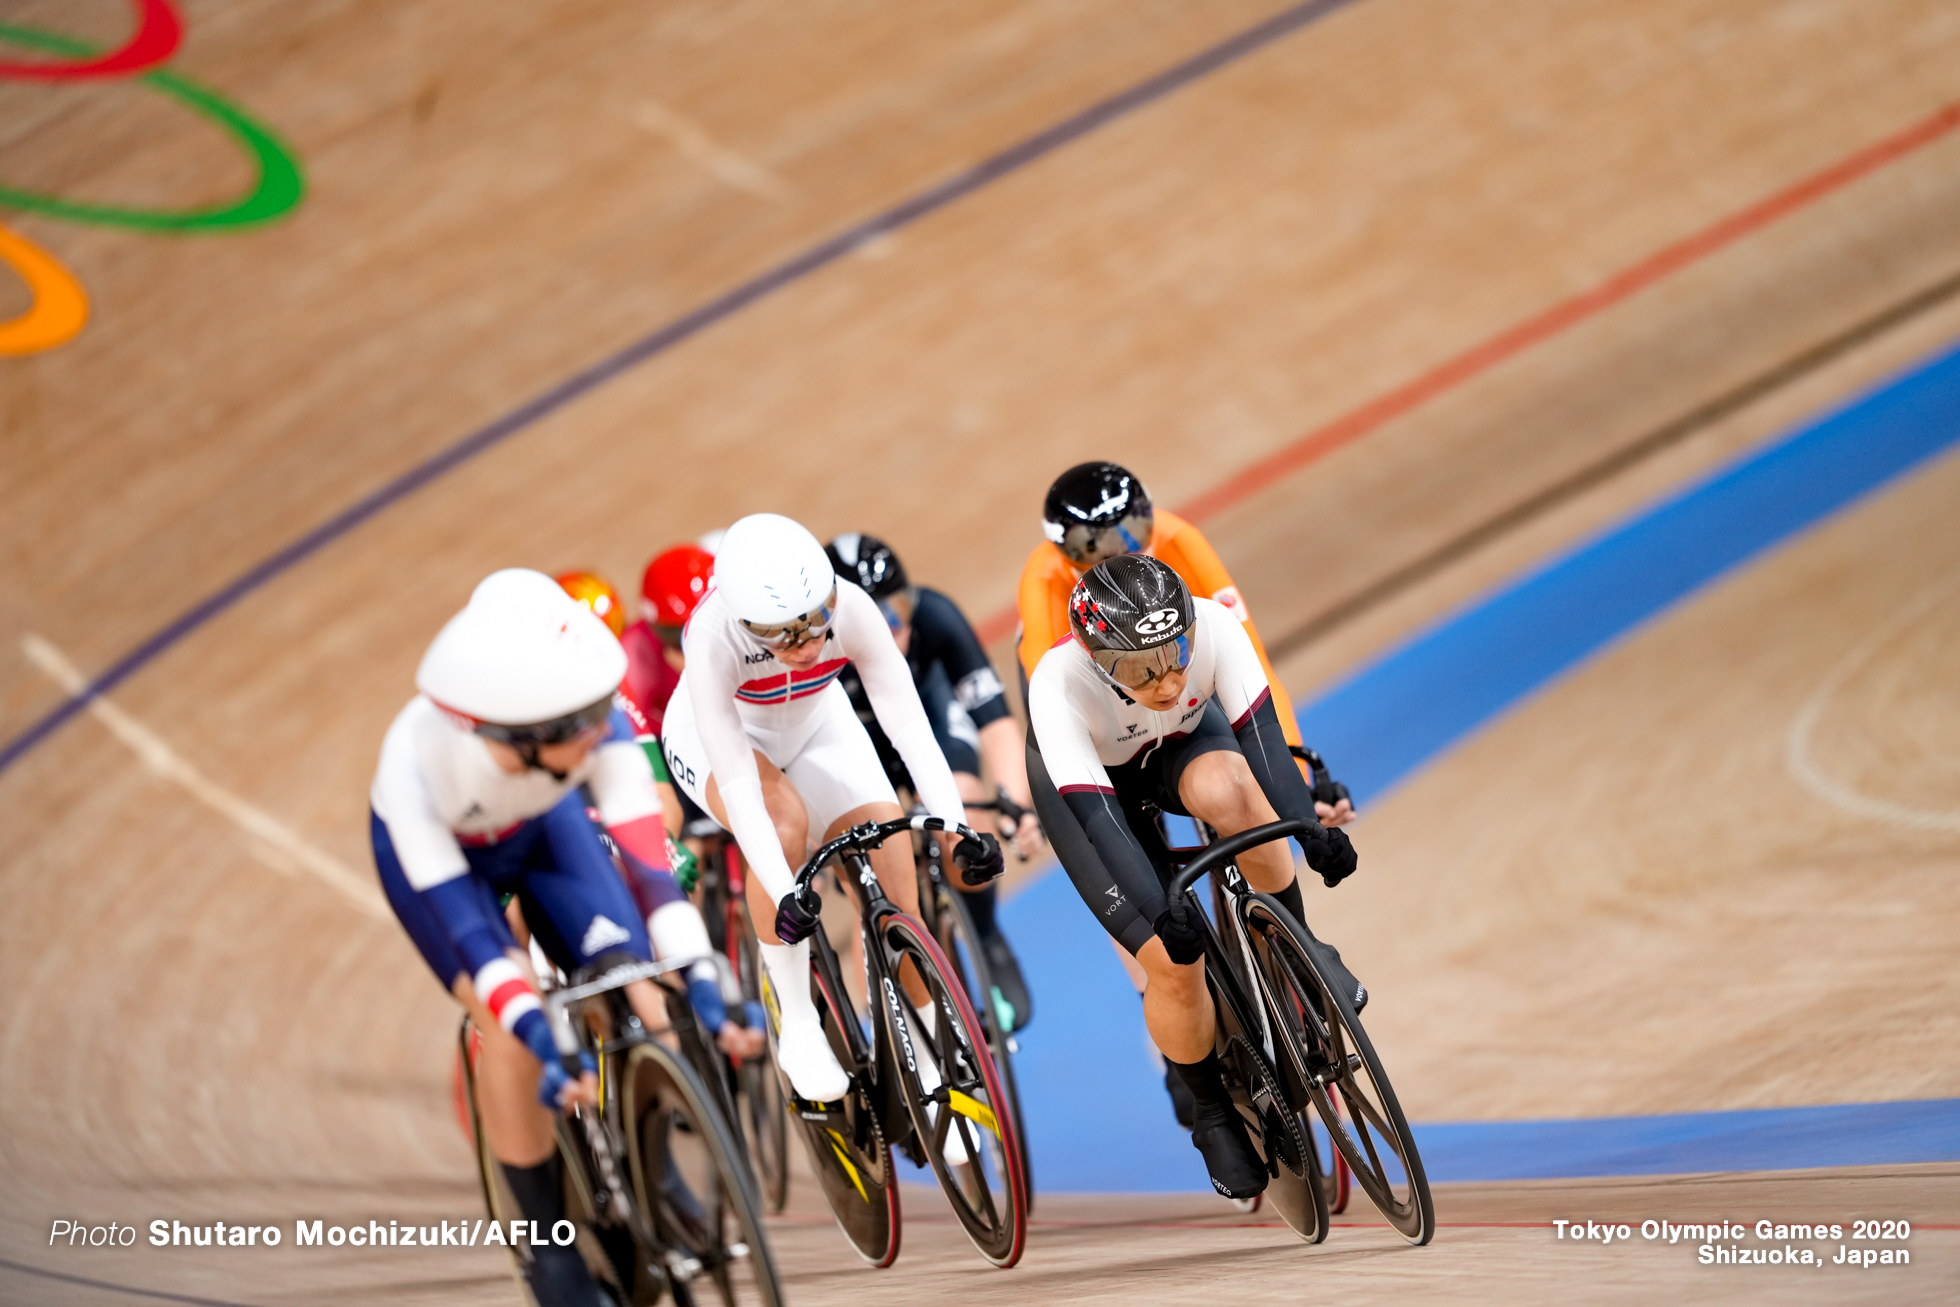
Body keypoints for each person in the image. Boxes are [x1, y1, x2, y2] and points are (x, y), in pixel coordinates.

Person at [369, 571, 753, 1305]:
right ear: (513, 730)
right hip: (448, 861)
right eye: (573, 728)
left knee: (622, 955)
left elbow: (652, 877)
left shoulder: (590, 722)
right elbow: (475, 942)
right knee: (509, 1025)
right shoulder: (414, 765)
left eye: (594, 718)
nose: (594, 734)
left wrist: (701, 974)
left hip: (545, 828)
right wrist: (536, 1029)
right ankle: (549, 1247)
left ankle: (650, 1153)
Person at [1023, 555, 1366, 1200]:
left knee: (1236, 792)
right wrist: (1161, 915)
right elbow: (1101, 822)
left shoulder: (1212, 626)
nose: (1166, 678)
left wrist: (1309, 832)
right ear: (1097, 658)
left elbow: (1262, 742)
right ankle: (1211, 1110)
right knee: (1172, 964)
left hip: (1177, 745)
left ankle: (1296, 948)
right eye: (1139, 668)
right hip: (1099, 795)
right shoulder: (1056, 684)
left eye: (1176, 655)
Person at [660, 513, 1002, 1103]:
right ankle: (797, 1019)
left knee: (893, 863)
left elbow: (909, 727)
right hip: (723, 740)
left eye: (816, 622)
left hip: (818, 722)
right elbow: (741, 786)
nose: (809, 644)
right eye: (785, 635)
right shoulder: (713, 636)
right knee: (782, 821)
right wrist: (780, 886)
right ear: (746, 622)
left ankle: (923, 1051)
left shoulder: (854, 606)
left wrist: (954, 826)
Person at [1015, 461, 1356, 827]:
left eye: (1133, 532)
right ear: (1061, 547)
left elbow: (1253, 666)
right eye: (1094, 546)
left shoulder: (1178, 539)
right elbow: (1054, 700)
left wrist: (1298, 783)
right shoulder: (1043, 577)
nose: (1120, 555)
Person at [824, 531, 1042, 1029]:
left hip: (931, 725)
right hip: (859, 747)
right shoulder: (817, 657)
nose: (890, 630)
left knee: (965, 808)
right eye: (875, 619)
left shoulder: (937, 615)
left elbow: (996, 722)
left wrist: (1012, 804)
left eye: (898, 612)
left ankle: (984, 935)